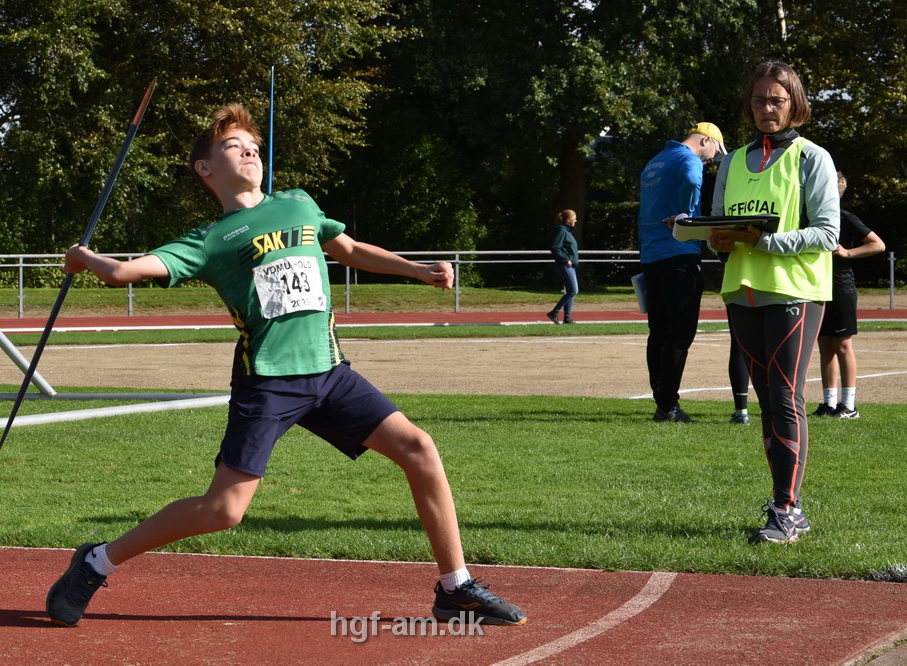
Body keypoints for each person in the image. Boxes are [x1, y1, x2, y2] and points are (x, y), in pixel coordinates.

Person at [45, 103, 526, 627]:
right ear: (205, 168)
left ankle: (455, 588)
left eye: (253, 145)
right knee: (224, 511)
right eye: (233, 146)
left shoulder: (298, 203)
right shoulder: (208, 241)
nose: (249, 151)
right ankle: (95, 562)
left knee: (420, 448)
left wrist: (416, 270)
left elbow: (349, 249)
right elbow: (123, 272)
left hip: (330, 372)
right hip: (269, 383)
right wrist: (84, 259)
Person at [708, 59, 839, 545]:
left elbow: (827, 233)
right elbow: (719, 226)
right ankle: (785, 503)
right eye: (760, 100)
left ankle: (787, 509)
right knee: (767, 399)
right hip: (741, 290)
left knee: (785, 396)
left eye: (777, 100)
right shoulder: (731, 161)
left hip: (795, 289)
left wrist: (762, 241)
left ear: (794, 104)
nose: (767, 108)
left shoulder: (812, 157)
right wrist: (716, 240)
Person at [637, 121, 727, 422]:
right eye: (715, 152)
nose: (712, 160)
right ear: (705, 140)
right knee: (680, 332)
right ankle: (668, 406)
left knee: (659, 331)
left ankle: (662, 401)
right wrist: (687, 214)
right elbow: (690, 179)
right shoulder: (689, 159)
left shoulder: (655, 160)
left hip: (651, 256)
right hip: (679, 254)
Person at [813, 171, 886, 419]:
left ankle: (849, 406)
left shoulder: (845, 217)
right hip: (818, 286)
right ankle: (829, 404)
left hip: (841, 287)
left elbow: (878, 244)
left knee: (842, 345)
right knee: (825, 345)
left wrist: (847, 253)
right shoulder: (812, 218)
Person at [546, 209, 579, 324]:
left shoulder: (567, 231)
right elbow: (555, 247)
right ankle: (554, 312)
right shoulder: (562, 230)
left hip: (570, 265)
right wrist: (566, 259)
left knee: (570, 291)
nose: (576, 220)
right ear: (568, 220)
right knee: (573, 290)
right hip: (565, 265)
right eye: (574, 218)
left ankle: (567, 318)